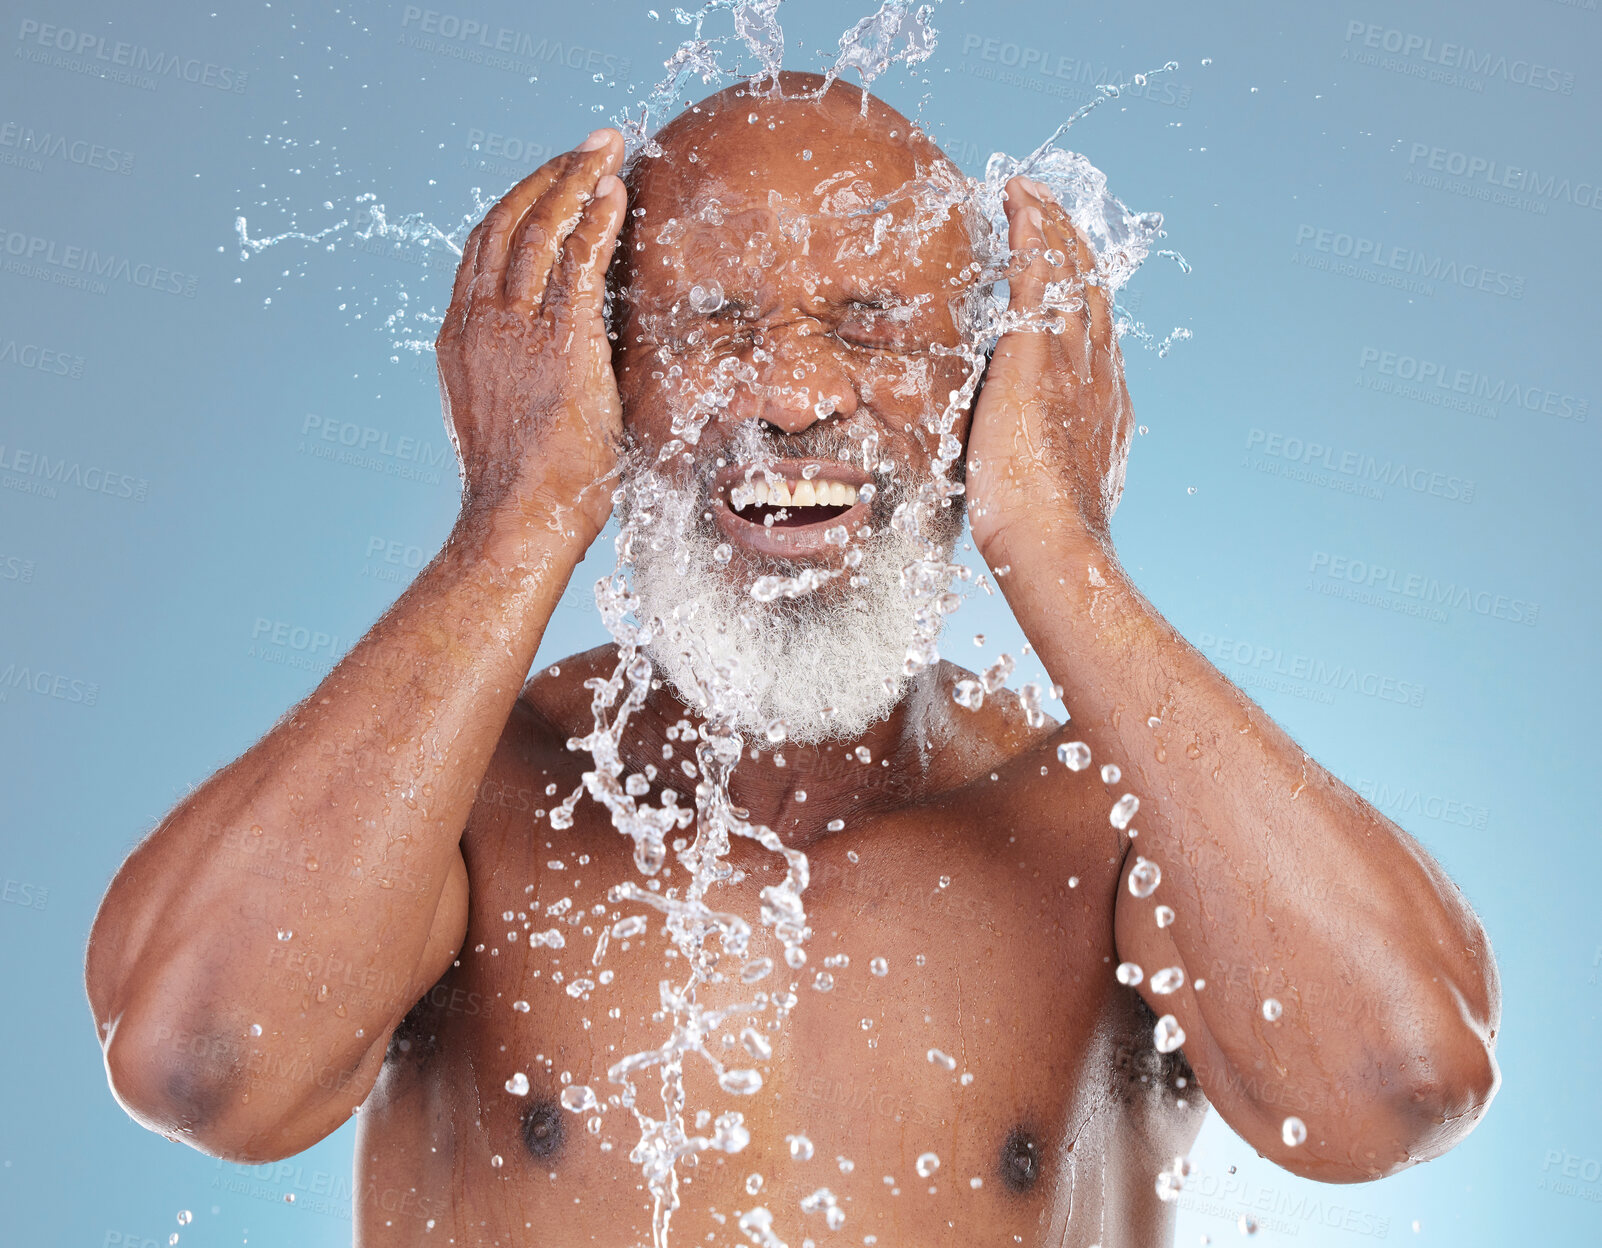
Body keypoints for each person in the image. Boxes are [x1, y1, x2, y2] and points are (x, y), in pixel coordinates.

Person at [86, 73, 1499, 1247]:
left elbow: (1391, 1088)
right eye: (712, 323)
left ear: (986, 388)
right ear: (598, 372)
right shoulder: (458, 797)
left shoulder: (1102, 820)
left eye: (875, 326)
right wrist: (514, 515)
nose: (795, 395)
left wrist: (1059, 544)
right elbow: (206, 1068)